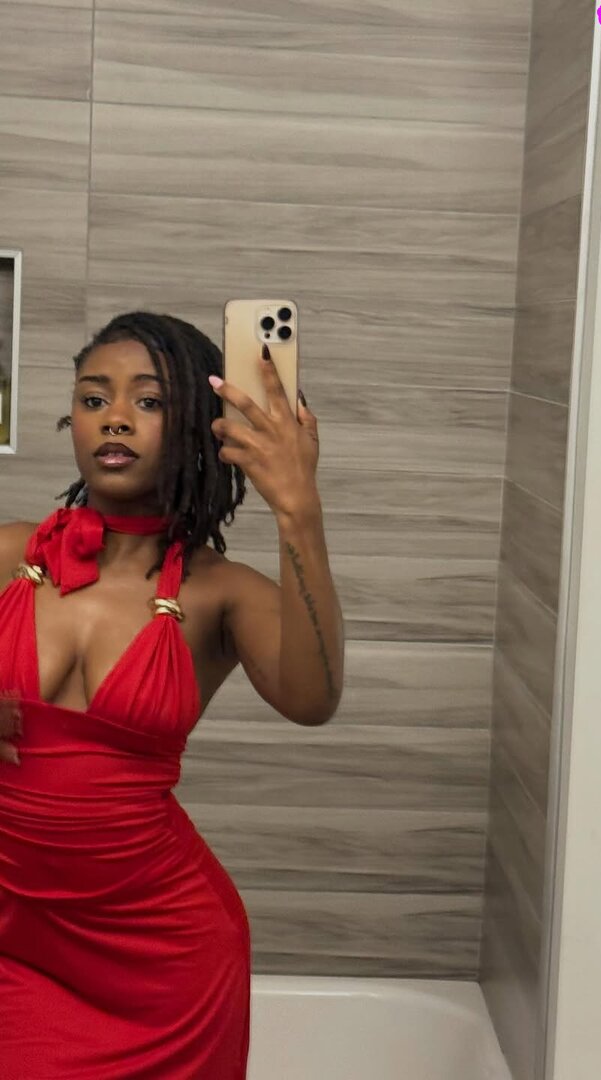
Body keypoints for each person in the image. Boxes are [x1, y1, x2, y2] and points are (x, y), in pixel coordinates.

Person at [0, 311, 345, 1078]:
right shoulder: (9, 555)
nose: (115, 417)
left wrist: (299, 510)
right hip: (14, 936)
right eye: (94, 398)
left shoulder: (221, 593)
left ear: (196, 428)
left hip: (163, 958)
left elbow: (312, 698)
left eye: (149, 400)